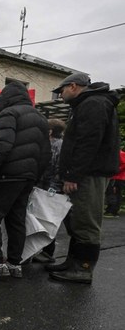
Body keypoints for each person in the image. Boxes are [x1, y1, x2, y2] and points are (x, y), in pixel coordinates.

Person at [46, 73, 121, 284]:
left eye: (61, 92)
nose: (60, 96)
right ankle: (72, 263)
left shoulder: (93, 104)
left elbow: (88, 143)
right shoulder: (89, 103)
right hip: (87, 173)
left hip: (89, 174)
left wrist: (73, 175)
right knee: (78, 219)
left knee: (86, 221)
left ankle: (83, 269)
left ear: (72, 86)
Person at [0, 81, 51, 279]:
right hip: (28, 177)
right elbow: (46, 153)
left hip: (8, 174)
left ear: (5, 98)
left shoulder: (9, 114)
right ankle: (15, 263)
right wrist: (35, 176)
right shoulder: (41, 118)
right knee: (17, 219)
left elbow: (1, 146)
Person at [33, 119, 66, 263]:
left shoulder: (52, 146)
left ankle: (47, 252)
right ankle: (45, 251)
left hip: (49, 188)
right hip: (53, 187)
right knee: (49, 219)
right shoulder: (63, 145)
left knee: (47, 219)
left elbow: (50, 167)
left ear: (50, 131)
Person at [104, 150, 125, 218]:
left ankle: (113, 211)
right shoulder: (118, 153)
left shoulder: (119, 153)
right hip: (117, 177)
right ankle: (110, 209)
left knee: (114, 193)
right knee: (113, 193)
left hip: (118, 177)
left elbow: (124, 163)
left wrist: (115, 170)